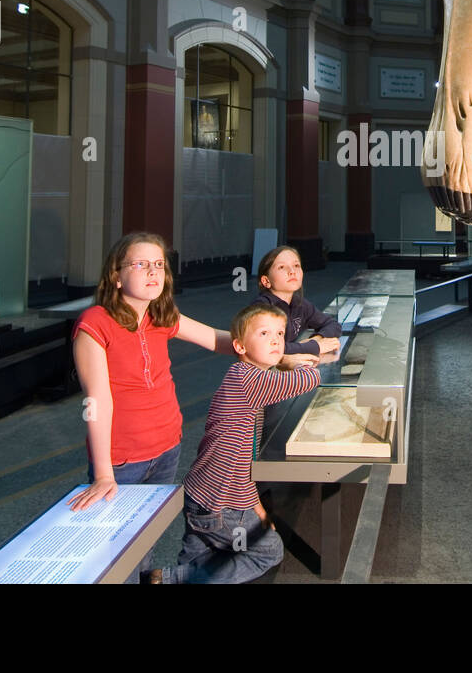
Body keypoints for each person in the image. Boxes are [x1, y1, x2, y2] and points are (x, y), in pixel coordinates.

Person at [69, 231, 237, 584]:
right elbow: (97, 401)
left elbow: (218, 341)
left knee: (145, 542)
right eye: (141, 264)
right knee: (115, 555)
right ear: (116, 274)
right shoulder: (95, 324)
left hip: (166, 450)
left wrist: (279, 351)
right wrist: (103, 474)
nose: (153, 272)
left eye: (159, 265)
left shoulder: (161, 317)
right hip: (121, 461)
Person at [174, 302, 321, 583]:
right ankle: (172, 579)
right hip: (219, 504)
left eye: (280, 333)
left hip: (199, 493)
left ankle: (165, 577)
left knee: (198, 557)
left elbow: (238, 460)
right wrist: (291, 360)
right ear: (240, 346)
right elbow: (308, 379)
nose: (276, 340)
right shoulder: (250, 379)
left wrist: (256, 506)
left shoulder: (240, 377)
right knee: (269, 551)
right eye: (264, 334)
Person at [253, 245, 341, 359]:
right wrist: (314, 346)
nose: (292, 271)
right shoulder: (263, 308)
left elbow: (333, 324)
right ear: (266, 281)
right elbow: (271, 348)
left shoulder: (299, 304)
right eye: (281, 267)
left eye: (296, 265)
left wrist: (317, 338)